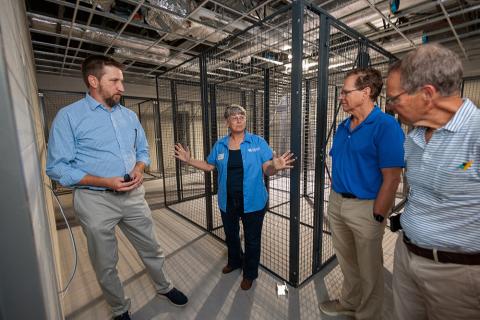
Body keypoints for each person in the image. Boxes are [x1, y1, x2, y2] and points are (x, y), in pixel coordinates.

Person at [46, 55, 188, 320]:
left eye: (122, 80)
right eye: (115, 81)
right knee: (105, 262)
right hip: (94, 200)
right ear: (93, 81)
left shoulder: (129, 116)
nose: (122, 87)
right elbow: (57, 168)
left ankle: (164, 286)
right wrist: (103, 181)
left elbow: (143, 151)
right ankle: (119, 308)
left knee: (151, 247)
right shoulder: (69, 117)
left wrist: (139, 169)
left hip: (134, 196)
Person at [386, 43, 480, 320]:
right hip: (407, 254)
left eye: (395, 99)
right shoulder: (414, 137)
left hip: (457, 275)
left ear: (427, 94)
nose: (390, 107)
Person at [174, 104, 294, 290]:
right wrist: (189, 160)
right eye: (234, 116)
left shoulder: (257, 142)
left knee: (252, 239)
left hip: (253, 201)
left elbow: (267, 168)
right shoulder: (220, 145)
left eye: (242, 116)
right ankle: (235, 261)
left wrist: (274, 167)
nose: (238, 119)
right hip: (227, 200)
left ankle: (250, 273)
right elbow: (209, 166)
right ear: (227, 122)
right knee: (231, 235)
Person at [319, 68, 405, 320]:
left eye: (346, 92)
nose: (341, 97)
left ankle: (368, 314)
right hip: (337, 203)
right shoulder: (345, 126)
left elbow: (392, 177)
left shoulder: (385, 125)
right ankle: (349, 302)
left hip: (367, 207)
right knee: (347, 261)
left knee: (369, 269)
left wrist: (378, 213)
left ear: (366, 92)